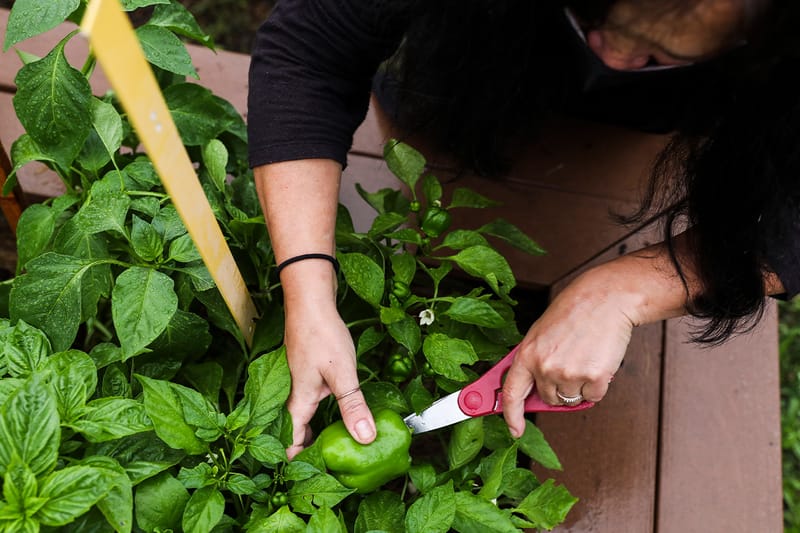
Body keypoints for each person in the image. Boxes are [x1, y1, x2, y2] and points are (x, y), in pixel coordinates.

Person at [247, 0, 798, 458]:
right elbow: (310, 51)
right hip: (467, 64)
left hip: (641, 137)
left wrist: (628, 288)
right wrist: (309, 295)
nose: (611, 57)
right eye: (593, 15)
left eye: (659, 52)